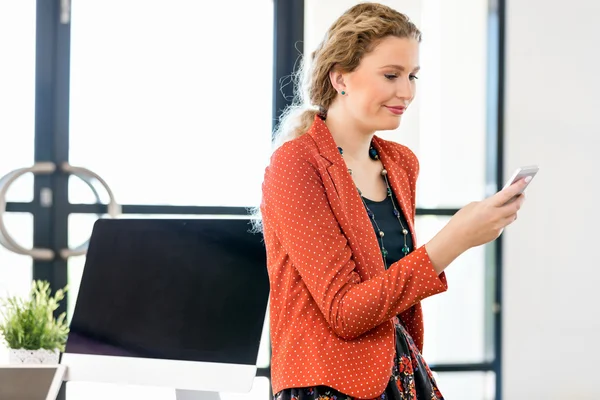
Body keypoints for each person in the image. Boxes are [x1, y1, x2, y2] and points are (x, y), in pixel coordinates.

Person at [258, 3, 527, 400]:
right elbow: (344, 313)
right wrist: (454, 240)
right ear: (340, 78)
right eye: (391, 75)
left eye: (412, 76)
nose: (407, 92)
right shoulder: (296, 164)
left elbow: (392, 288)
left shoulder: (400, 163)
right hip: (326, 385)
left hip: (399, 370)